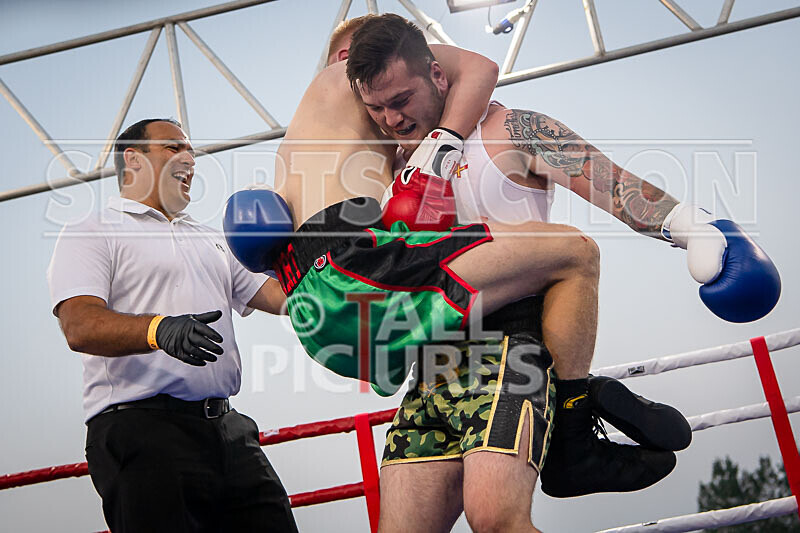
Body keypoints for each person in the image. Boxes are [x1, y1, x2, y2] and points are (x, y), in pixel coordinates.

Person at [340, 13, 779, 532]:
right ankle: (578, 417)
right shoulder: (387, 170)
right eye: (378, 108)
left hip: (508, 344)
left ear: (438, 76)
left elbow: (612, 185)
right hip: (429, 362)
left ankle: (573, 424)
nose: (391, 118)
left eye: (402, 100)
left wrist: (690, 227)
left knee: (496, 520)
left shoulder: (508, 130)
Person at [47, 118, 297, 532]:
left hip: (229, 431)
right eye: (173, 147)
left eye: (191, 150)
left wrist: (327, 258)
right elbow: (79, 324)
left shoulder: (212, 238)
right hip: (142, 431)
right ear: (134, 159)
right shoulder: (90, 230)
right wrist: (157, 329)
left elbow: (283, 298)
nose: (189, 157)